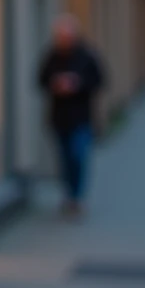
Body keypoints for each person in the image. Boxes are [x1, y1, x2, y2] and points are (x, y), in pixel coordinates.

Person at [39, 15, 105, 215]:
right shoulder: (52, 56)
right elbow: (40, 79)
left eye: (66, 36)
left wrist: (78, 84)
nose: (63, 40)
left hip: (81, 117)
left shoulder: (87, 55)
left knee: (78, 156)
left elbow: (100, 80)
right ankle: (69, 195)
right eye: (60, 36)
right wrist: (55, 83)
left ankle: (77, 196)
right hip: (59, 118)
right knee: (65, 159)